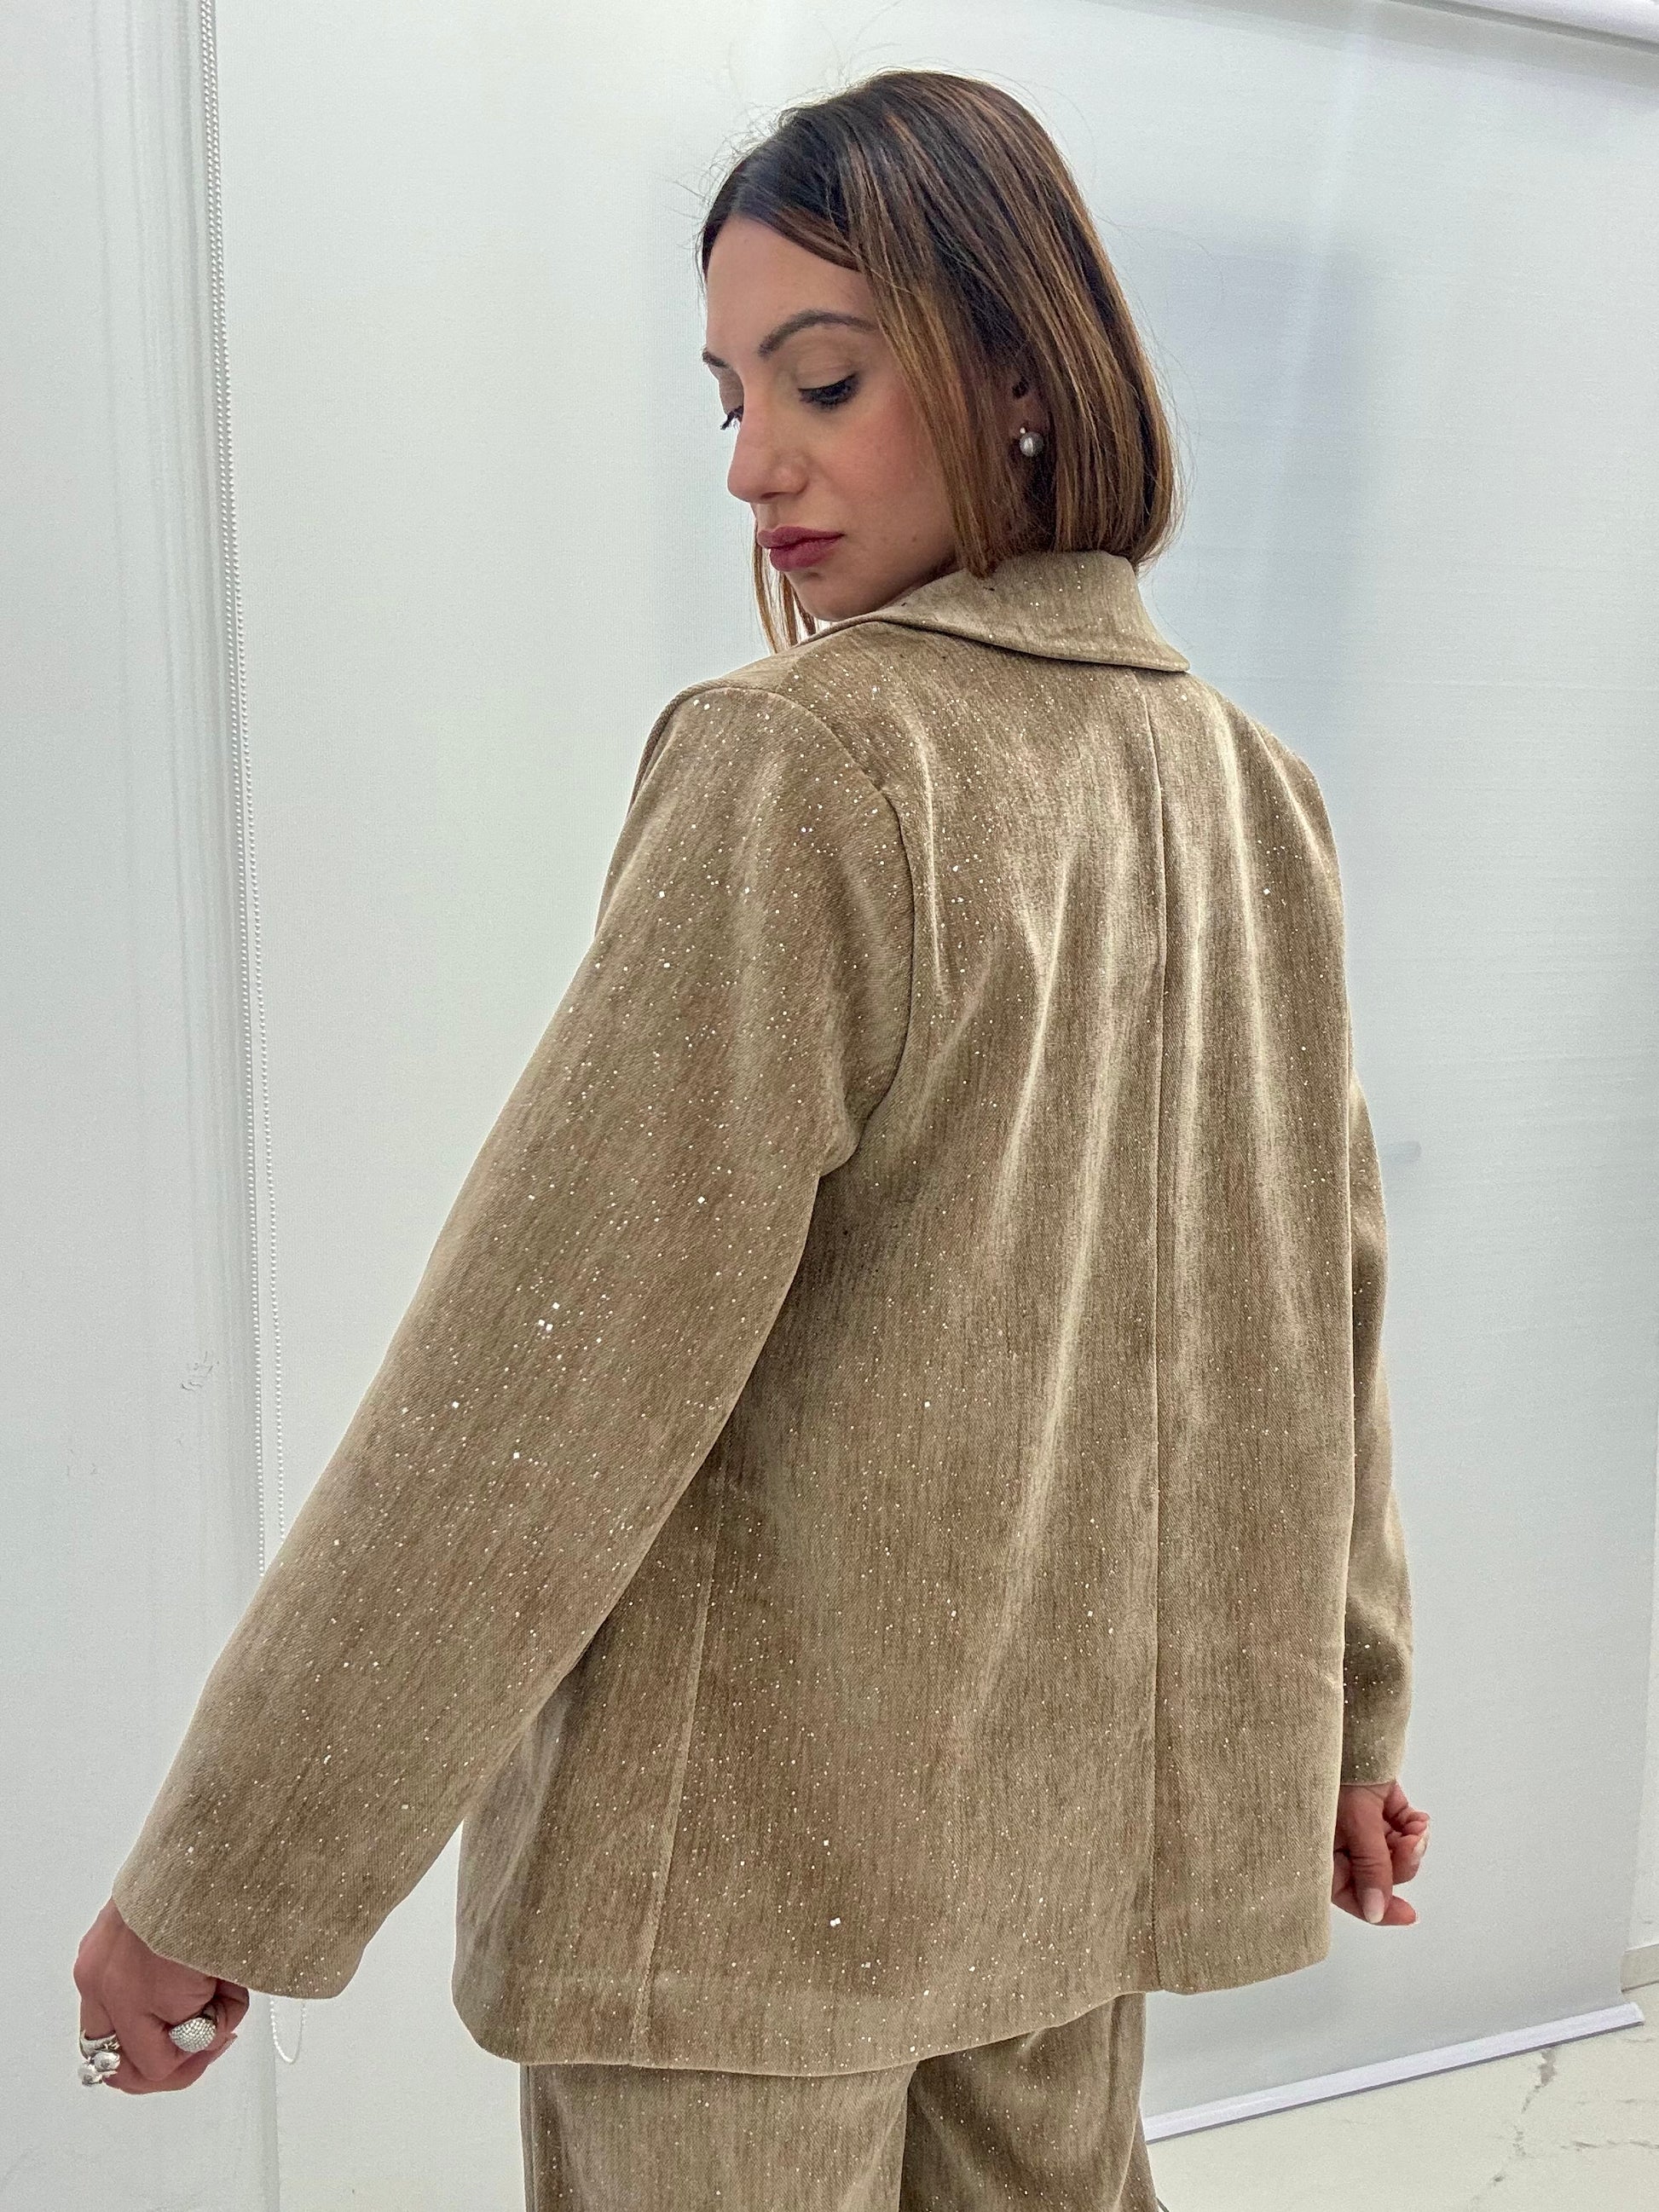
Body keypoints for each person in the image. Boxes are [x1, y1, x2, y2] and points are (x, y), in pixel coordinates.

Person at [74, 66, 1428, 2211]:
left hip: (735, 1909)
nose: (750, 461)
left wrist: (235, 1863)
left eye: (822, 377)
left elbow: (541, 1374)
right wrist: (1343, 1721)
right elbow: (1317, 1327)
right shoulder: (1252, 791)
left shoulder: (812, 765)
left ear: (1018, 367)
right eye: (727, 394)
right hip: (1063, 1868)